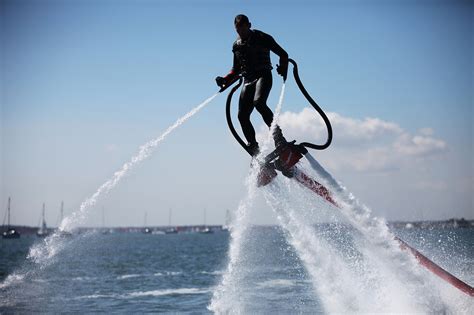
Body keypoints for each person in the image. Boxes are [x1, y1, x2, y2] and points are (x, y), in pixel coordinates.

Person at [216, 14, 288, 156]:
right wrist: (225, 79)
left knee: (259, 103)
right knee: (242, 116)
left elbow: (283, 54)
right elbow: (236, 69)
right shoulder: (236, 45)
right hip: (248, 81)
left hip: (263, 75)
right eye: (238, 30)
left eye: (243, 29)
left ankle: (279, 139)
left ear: (249, 25)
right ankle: (254, 148)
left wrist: (283, 67)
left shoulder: (262, 37)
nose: (240, 33)